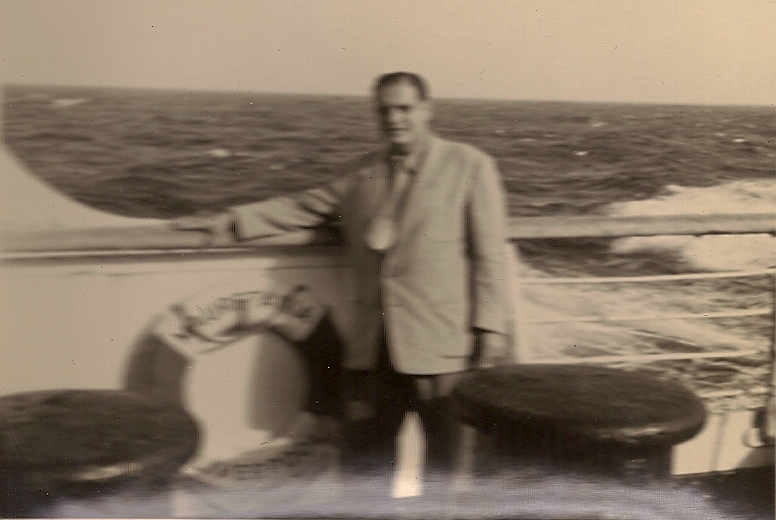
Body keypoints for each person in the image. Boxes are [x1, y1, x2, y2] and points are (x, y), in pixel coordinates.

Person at [174, 71, 512, 496]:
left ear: (427, 110)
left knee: (448, 468)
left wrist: (490, 330)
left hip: (442, 348)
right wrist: (231, 220)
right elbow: (302, 206)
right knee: (364, 465)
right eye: (384, 111)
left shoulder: (469, 166)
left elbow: (490, 255)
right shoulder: (358, 174)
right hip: (372, 351)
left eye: (405, 108)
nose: (394, 119)